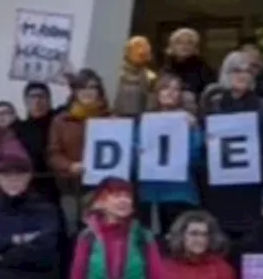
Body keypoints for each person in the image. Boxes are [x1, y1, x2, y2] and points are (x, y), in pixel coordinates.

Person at [201, 52, 263, 242]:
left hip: (252, 190)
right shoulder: (214, 107)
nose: (243, 75)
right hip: (221, 192)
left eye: (248, 70)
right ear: (226, 74)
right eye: (236, 70)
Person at [138, 73, 203, 233]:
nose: (170, 93)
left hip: (181, 192)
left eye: (176, 89)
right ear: (157, 93)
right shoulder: (143, 122)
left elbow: (195, 157)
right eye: (165, 88)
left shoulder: (189, 121)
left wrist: (195, 130)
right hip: (152, 192)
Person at [48, 69, 111, 227]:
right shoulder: (61, 121)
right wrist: (69, 165)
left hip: (103, 188)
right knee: (75, 232)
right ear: (75, 92)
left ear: (99, 91)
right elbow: (53, 153)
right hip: (72, 187)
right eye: (82, 88)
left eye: (92, 87)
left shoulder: (112, 118)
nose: (87, 92)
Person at [14, 81, 59, 204]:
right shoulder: (18, 128)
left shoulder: (60, 122)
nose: (37, 101)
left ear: (49, 100)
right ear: (25, 101)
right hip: (29, 187)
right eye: (32, 97)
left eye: (41, 96)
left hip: (61, 185)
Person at [161, 27, 214, 102]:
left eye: (189, 43)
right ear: (171, 47)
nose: (184, 46)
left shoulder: (204, 69)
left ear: (195, 47)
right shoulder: (166, 68)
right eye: (179, 42)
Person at [113, 35, 157, 117]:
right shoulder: (116, 73)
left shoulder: (151, 77)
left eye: (145, 48)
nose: (141, 51)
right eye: (136, 47)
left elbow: (152, 103)